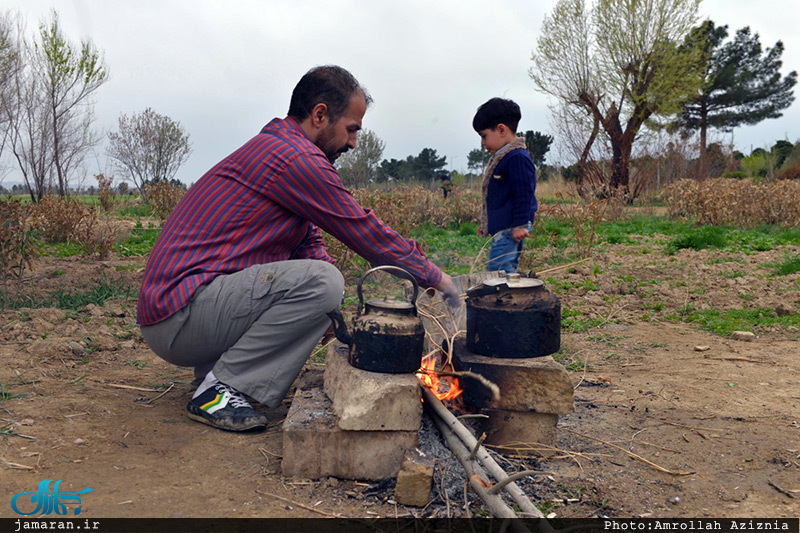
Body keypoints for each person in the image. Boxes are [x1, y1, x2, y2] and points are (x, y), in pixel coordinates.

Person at [137, 65, 459, 432]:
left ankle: (216, 374)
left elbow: (308, 239)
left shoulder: (281, 150)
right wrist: (438, 278)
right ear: (320, 115)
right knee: (323, 282)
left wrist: (327, 312)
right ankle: (221, 390)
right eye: (352, 129)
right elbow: (364, 231)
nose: (354, 142)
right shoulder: (294, 158)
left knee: (322, 287)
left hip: (182, 313)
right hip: (177, 317)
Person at [472, 97, 538, 274]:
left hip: (510, 229)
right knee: (505, 271)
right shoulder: (503, 158)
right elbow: (499, 198)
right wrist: (487, 223)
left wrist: (520, 225)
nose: (482, 143)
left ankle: (503, 299)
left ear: (501, 129)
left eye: (484, 136)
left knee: (497, 271)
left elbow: (524, 193)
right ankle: (510, 297)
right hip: (505, 228)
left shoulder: (516, 158)